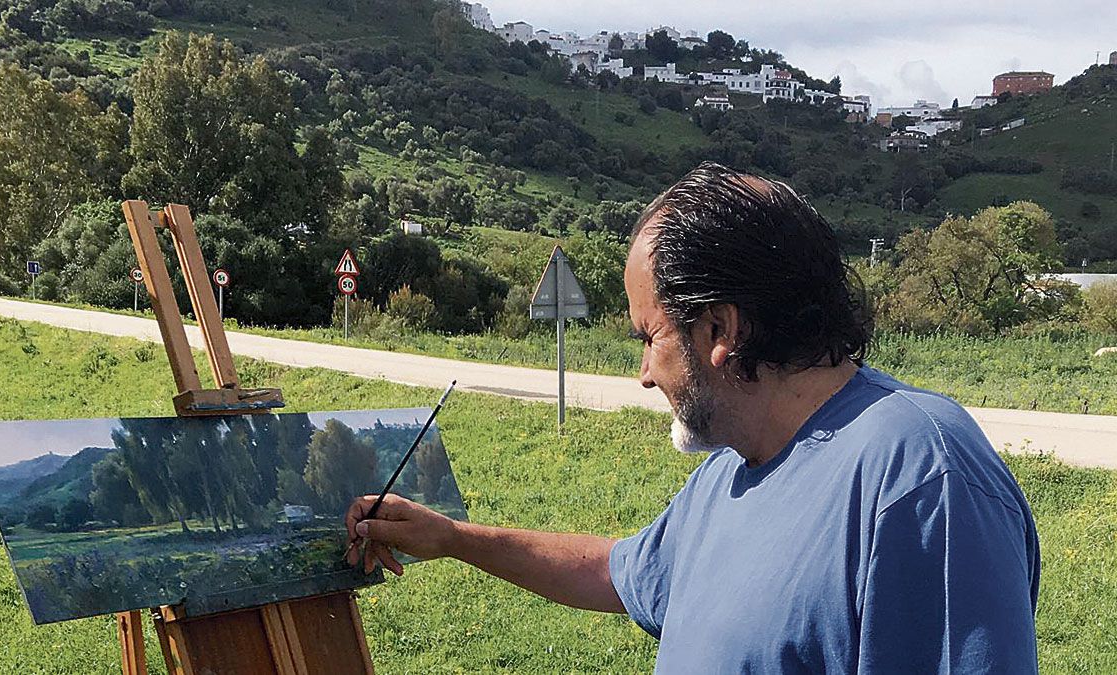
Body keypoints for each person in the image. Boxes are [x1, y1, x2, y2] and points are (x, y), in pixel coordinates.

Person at [344, 163, 1040, 673]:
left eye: (650, 336)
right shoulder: (732, 469)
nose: (643, 372)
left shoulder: (923, 479)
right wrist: (452, 536)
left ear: (719, 328)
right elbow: (619, 572)